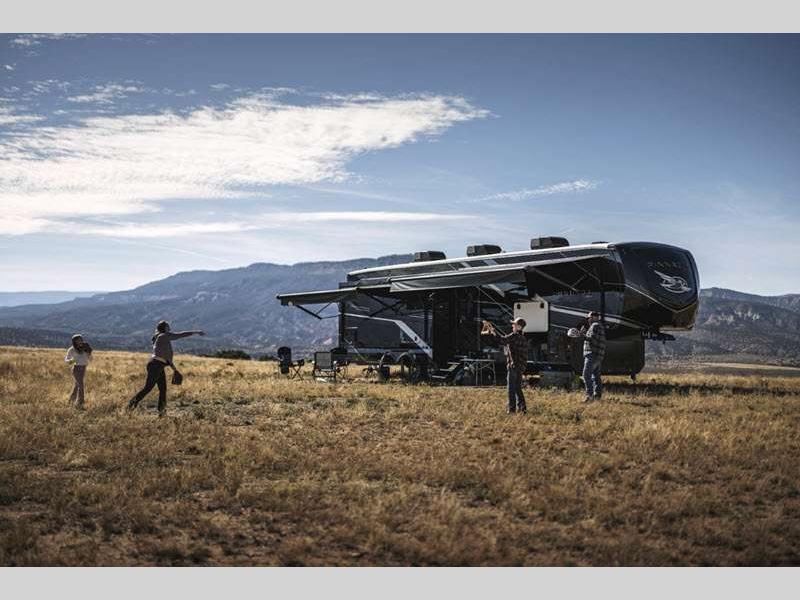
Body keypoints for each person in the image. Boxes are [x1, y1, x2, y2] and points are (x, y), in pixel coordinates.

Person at [128, 321, 205, 416]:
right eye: (168, 326)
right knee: (148, 388)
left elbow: (167, 358)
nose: (170, 328)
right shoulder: (163, 336)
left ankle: (162, 412)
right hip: (155, 365)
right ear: (164, 328)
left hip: (158, 365)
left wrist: (175, 370)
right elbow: (180, 335)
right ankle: (131, 405)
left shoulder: (164, 339)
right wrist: (196, 332)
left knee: (163, 389)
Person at [485, 317, 529, 414]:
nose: (512, 325)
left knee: (511, 388)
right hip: (520, 367)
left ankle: (511, 410)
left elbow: (502, 340)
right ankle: (522, 408)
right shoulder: (523, 338)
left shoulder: (514, 336)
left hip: (513, 366)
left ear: (519, 327)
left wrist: (493, 331)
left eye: (514, 324)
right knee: (517, 388)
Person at [577, 311, 606, 402]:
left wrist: (581, 335)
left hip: (592, 354)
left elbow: (591, 339)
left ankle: (589, 397)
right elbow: (595, 339)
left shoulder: (595, 326)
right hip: (598, 355)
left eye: (589, 318)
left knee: (586, 375)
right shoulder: (599, 326)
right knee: (596, 377)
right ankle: (597, 396)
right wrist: (585, 333)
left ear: (594, 317)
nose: (588, 320)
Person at [65, 334, 92, 409]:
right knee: (81, 385)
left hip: (83, 368)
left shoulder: (85, 348)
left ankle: (71, 401)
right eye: (78, 340)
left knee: (77, 386)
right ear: (74, 341)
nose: (80, 341)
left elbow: (90, 359)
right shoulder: (71, 349)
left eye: (81, 340)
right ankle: (81, 403)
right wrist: (73, 360)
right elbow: (66, 360)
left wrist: (89, 353)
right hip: (76, 369)